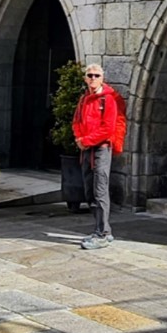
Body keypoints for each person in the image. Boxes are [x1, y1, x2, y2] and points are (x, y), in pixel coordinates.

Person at [72, 64, 127, 250]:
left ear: (102, 78)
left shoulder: (108, 100)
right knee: (89, 190)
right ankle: (104, 229)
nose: (93, 78)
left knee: (100, 191)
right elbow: (77, 121)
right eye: (90, 75)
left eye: (97, 75)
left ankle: (101, 233)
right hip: (87, 149)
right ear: (86, 78)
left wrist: (86, 140)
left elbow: (108, 128)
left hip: (101, 149)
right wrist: (80, 138)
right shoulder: (84, 99)